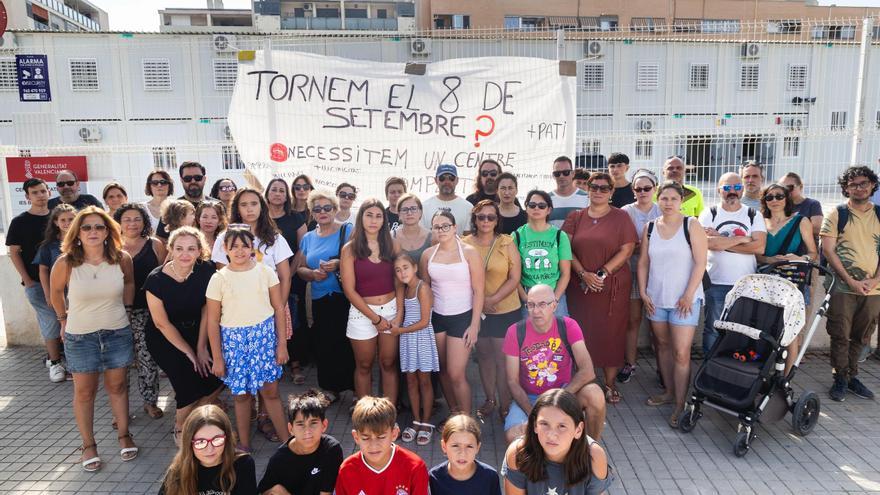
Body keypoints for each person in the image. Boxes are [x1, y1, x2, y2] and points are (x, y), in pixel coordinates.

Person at [49, 207, 138, 472]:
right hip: (80, 337)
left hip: (117, 332)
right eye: (86, 227)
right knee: (85, 392)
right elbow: (55, 292)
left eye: (99, 227)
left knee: (118, 387)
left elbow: (130, 283)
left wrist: (129, 309)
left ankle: (124, 434)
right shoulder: (66, 262)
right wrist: (63, 320)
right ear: (77, 233)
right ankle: (88, 445)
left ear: (108, 231)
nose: (93, 232)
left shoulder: (121, 258)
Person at [206, 226, 289, 452]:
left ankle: (288, 443)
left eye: (245, 245)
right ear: (225, 249)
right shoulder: (218, 278)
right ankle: (244, 443)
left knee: (270, 392)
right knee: (241, 396)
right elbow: (213, 321)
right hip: (233, 342)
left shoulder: (265, 272)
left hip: (263, 338)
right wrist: (217, 357)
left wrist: (281, 344)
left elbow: (278, 309)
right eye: (234, 246)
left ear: (253, 247)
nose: (240, 251)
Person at [638, 181, 707, 427]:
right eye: (664, 198)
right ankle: (668, 392)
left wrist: (688, 294)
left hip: (684, 301)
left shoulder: (692, 225)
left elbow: (700, 263)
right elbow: (644, 262)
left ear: (681, 201)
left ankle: (681, 403)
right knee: (663, 347)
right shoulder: (649, 228)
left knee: (681, 352)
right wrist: (644, 292)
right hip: (657, 299)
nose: (668, 203)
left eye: (673, 199)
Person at [144, 227, 224, 442]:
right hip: (164, 337)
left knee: (217, 375)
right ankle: (181, 427)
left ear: (200, 251)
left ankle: (197, 416)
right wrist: (189, 353)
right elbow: (161, 323)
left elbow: (208, 309)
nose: (184, 254)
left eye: (191, 248)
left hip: (198, 330)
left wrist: (201, 347)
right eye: (179, 248)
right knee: (187, 381)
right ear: (170, 249)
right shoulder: (156, 279)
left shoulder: (207, 271)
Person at [564, 172, 637, 404]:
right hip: (580, 287)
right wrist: (584, 274)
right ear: (588, 189)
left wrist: (601, 273)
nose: (598, 191)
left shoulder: (621, 217)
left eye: (604, 188)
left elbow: (626, 249)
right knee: (581, 334)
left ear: (611, 192)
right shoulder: (575, 217)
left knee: (611, 335)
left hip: (611, 286)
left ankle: (609, 383)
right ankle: (584, 380)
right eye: (594, 187)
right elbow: (566, 249)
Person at [502, 284, 606, 442]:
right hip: (529, 398)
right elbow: (512, 381)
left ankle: (589, 451)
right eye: (531, 305)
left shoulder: (568, 326)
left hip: (563, 392)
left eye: (542, 304)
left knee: (595, 394)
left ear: (554, 306)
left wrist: (558, 399)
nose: (536, 311)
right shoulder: (515, 331)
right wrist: (534, 413)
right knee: (513, 436)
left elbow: (587, 371)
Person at [821, 166, 880, 402]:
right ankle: (840, 379)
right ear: (846, 188)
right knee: (840, 333)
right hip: (842, 286)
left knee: (862, 335)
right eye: (853, 184)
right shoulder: (837, 214)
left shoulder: (879, 214)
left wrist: (875, 280)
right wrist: (851, 281)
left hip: (874, 288)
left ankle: (852, 376)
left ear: (873, 185)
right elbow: (828, 249)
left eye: (864, 182)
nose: (859, 187)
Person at [463, 200, 522, 423]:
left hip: (505, 310)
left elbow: (515, 277)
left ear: (498, 220)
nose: (486, 221)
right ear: (474, 219)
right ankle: (490, 400)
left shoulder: (507, 242)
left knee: (503, 360)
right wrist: (480, 303)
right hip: (477, 311)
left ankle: (506, 404)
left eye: (491, 217)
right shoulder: (464, 243)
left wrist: (492, 300)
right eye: (481, 217)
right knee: (485, 356)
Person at [422, 211, 485, 416]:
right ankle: (454, 413)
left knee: (456, 374)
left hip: (462, 318)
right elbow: (425, 291)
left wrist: (474, 325)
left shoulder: (469, 252)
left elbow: (479, 291)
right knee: (442, 371)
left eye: (445, 225)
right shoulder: (428, 255)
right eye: (437, 226)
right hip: (437, 318)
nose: (441, 230)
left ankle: (466, 422)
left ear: (455, 227)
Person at [294, 190, 355, 401]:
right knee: (325, 343)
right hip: (320, 298)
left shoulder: (348, 231)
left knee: (348, 343)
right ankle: (330, 388)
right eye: (317, 209)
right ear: (312, 213)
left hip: (346, 297)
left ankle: (356, 389)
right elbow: (300, 268)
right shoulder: (309, 238)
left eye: (327, 207)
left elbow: (360, 260)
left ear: (335, 209)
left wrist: (339, 264)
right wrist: (311, 274)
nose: (322, 212)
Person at [340, 199, 401, 405]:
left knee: (388, 363)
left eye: (378, 216)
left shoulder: (392, 245)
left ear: (384, 220)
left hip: (391, 310)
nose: (373, 220)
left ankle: (388, 414)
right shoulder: (349, 249)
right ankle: (365, 414)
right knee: (364, 365)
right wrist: (375, 318)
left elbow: (399, 281)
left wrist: (399, 313)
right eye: (369, 215)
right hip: (362, 313)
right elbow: (349, 290)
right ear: (361, 218)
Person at [699, 173, 767, 354]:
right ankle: (709, 369)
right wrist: (744, 239)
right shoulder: (710, 212)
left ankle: (734, 369)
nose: (732, 192)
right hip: (716, 282)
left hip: (745, 284)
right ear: (718, 190)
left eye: (737, 187)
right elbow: (708, 243)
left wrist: (721, 238)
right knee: (713, 329)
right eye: (727, 188)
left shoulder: (753, 214)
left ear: (742, 189)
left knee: (742, 330)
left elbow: (759, 247)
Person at [756, 183, 818, 374]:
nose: (774, 200)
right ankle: (762, 374)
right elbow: (756, 254)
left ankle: (785, 379)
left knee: (790, 333)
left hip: (792, 282)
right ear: (765, 201)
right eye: (769, 197)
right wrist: (769, 259)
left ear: (787, 198)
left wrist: (800, 258)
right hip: (766, 282)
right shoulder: (759, 221)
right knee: (764, 330)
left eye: (779, 196)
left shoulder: (801, 221)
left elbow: (813, 253)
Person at [501, 389, 613, 495]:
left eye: (562, 426)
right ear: (535, 425)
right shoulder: (518, 453)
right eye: (544, 424)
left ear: (578, 430)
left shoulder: (594, 456)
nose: (551, 435)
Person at [114, 203, 167, 421]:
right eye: (127, 219)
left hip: (147, 312)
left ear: (144, 221)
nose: (132, 223)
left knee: (146, 359)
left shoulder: (155, 244)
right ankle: (120, 412)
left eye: (137, 219)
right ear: (118, 222)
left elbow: (165, 276)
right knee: (118, 364)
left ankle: (149, 401)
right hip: (116, 312)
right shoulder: (110, 247)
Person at [7, 178, 62, 382]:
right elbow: (14, 252)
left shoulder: (58, 217)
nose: (40, 195)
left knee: (63, 320)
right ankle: (55, 364)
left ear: (49, 191)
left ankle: (56, 357)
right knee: (51, 321)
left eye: (42, 191)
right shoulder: (20, 221)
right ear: (27, 196)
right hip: (36, 283)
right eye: (35, 192)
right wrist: (27, 280)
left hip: (63, 282)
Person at [334, 396, 429, 495]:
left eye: (381, 437)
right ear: (356, 437)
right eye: (366, 438)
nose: (373, 445)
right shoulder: (347, 470)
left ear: (394, 434)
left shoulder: (415, 468)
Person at [618, 169, 661, 384]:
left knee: (658, 323)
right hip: (632, 272)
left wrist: (638, 246)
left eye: (647, 188)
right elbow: (624, 245)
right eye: (638, 188)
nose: (642, 192)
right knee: (633, 320)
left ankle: (663, 369)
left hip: (658, 274)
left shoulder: (663, 208)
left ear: (655, 188)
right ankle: (630, 363)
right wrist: (644, 247)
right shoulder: (626, 211)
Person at [391, 253, 439, 446]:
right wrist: (395, 326)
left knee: (424, 381)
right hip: (407, 340)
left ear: (415, 268)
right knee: (410, 381)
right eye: (397, 269)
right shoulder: (403, 288)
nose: (402, 272)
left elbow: (424, 321)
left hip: (422, 338)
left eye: (405, 267)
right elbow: (401, 313)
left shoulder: (423, 288)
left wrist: (400, 330)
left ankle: (427, 422)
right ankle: (416, 420)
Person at [257, 391, 344, 495]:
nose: (307, 431)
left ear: (324, 425)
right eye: (300, 424)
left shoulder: (331, 449)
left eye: (313, 423)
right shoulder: (279, 460)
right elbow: (263, 490)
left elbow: (326, 493)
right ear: (290, 429)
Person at [264, 178, 308, 384]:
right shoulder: (261, 217)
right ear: (267, 193)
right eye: (274, 190)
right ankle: (272, 363)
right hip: (263, 281)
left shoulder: (296, 217)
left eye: (282, 190)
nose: (278, 194)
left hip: (292, 277)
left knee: (293, 320)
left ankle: (295, 364)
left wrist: (288, 275)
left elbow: (303, 247)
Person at [159, 404, 256, 495]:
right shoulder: (178, 469)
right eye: (201, 442)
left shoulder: (242, 463)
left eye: (217, 440)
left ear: (227, 438)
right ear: (189, 443)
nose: (210, 449)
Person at [34, 204, 78, 378]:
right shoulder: (48, 246)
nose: (67, 223)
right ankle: (56, 363)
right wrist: (48, 293)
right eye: (63, 220)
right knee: (57, 328)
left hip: (79, 293)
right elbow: (43, 270)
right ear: (55, 222)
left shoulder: (84, 240)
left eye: (71, 219)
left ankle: (75, 363)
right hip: (59, 293)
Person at [515, 190, 572, 317]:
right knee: (531, 336)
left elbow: (565, 273)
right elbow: (513, 274)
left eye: (542, 206)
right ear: (526, 207)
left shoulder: (559, 235)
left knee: (559, 335)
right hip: (529, 295)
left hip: (554, 293)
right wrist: (525, 298)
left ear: (549, 210)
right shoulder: (517, 236)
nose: (536, 208)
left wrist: (555, 299)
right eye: (532, 205)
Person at [429, 414, 501, 495]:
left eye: (469, 446)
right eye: (455, 446)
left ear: (477, 447)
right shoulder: (435, 476)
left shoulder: (490, 477)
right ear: (444, 446)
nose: (462, 453)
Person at [156, 161, 215, 239]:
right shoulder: (173, 208)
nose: (193, 181)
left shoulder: (217, 205)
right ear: (181, 180)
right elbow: (161, 240)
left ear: (204, 179)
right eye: (188, 178)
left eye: (197, 178)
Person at [421, 164, 473, 235]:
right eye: (442, 178)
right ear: (436, 180)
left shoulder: (468, 207)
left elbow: (468, 238)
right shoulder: (424, 207)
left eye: (451, 178)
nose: (447, 182)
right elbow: (422, 236)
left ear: (457, 180)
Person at [548, 156, 589, 228]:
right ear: (553, 176)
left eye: (565, 172)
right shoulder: (546, 199)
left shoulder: (587, 198)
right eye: (557, 173)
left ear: (573, 173)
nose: (561, 176)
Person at [779, 172, 823, 238]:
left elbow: (816, 229)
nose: (786, 191)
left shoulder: (812, 204)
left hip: (805, 246)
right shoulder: (777, 205)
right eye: (782, 188)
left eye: (790, 187)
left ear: (801, 187)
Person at [392, 193, 433, 262]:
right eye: (405, 209)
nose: (409, 213)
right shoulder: (391, 237)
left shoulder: (432, 238)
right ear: (399, 214)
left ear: (420, 212)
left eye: (413, 209)